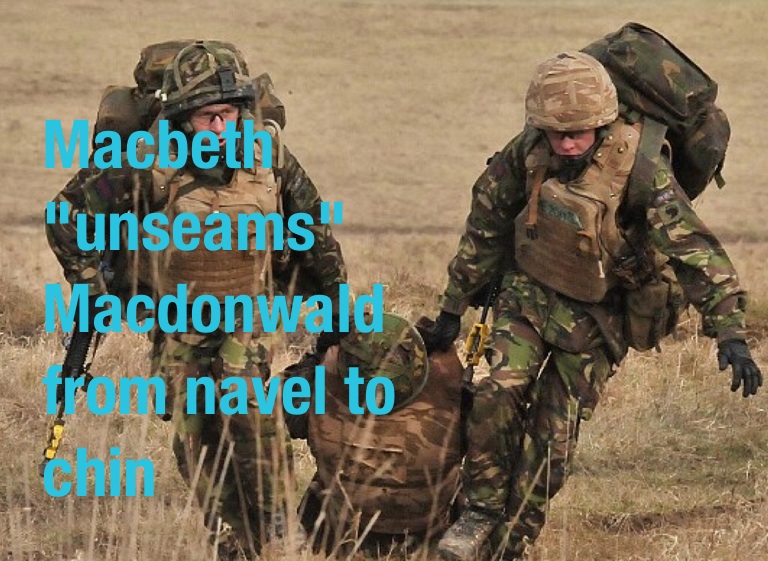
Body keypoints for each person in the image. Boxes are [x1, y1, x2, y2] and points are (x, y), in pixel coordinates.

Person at [419, 51, 763, 560]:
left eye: (577, 133)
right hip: (529, 294)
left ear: (602, 122)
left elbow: (694, 251)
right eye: (557, 133)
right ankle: (479, 514)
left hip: (599, 317)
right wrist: (453, 309)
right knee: (496, 393)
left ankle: (512, 542)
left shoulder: (641, 168)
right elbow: (486, 223)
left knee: (552, 438)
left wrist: (729, 331)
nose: (566, 143)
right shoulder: (529, 151)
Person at [46, 40, 347, 559]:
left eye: (229, 113)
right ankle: (230, 538)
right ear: (183, 118)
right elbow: (64, 216)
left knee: (249, 412)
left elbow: (313, 225)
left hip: (248, 311)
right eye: (209, 116)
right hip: (178, 319)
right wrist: (92, 285)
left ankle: (279, 533)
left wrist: (337, 301)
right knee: (195, 437)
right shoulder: (145, 163)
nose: (221, 127)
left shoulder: (268, 155)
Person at [284, 313, 465, 556]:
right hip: (426, 535)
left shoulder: (319, 388)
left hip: (338, 534)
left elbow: (273, 413)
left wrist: (317, 358)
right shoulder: (451, 395)